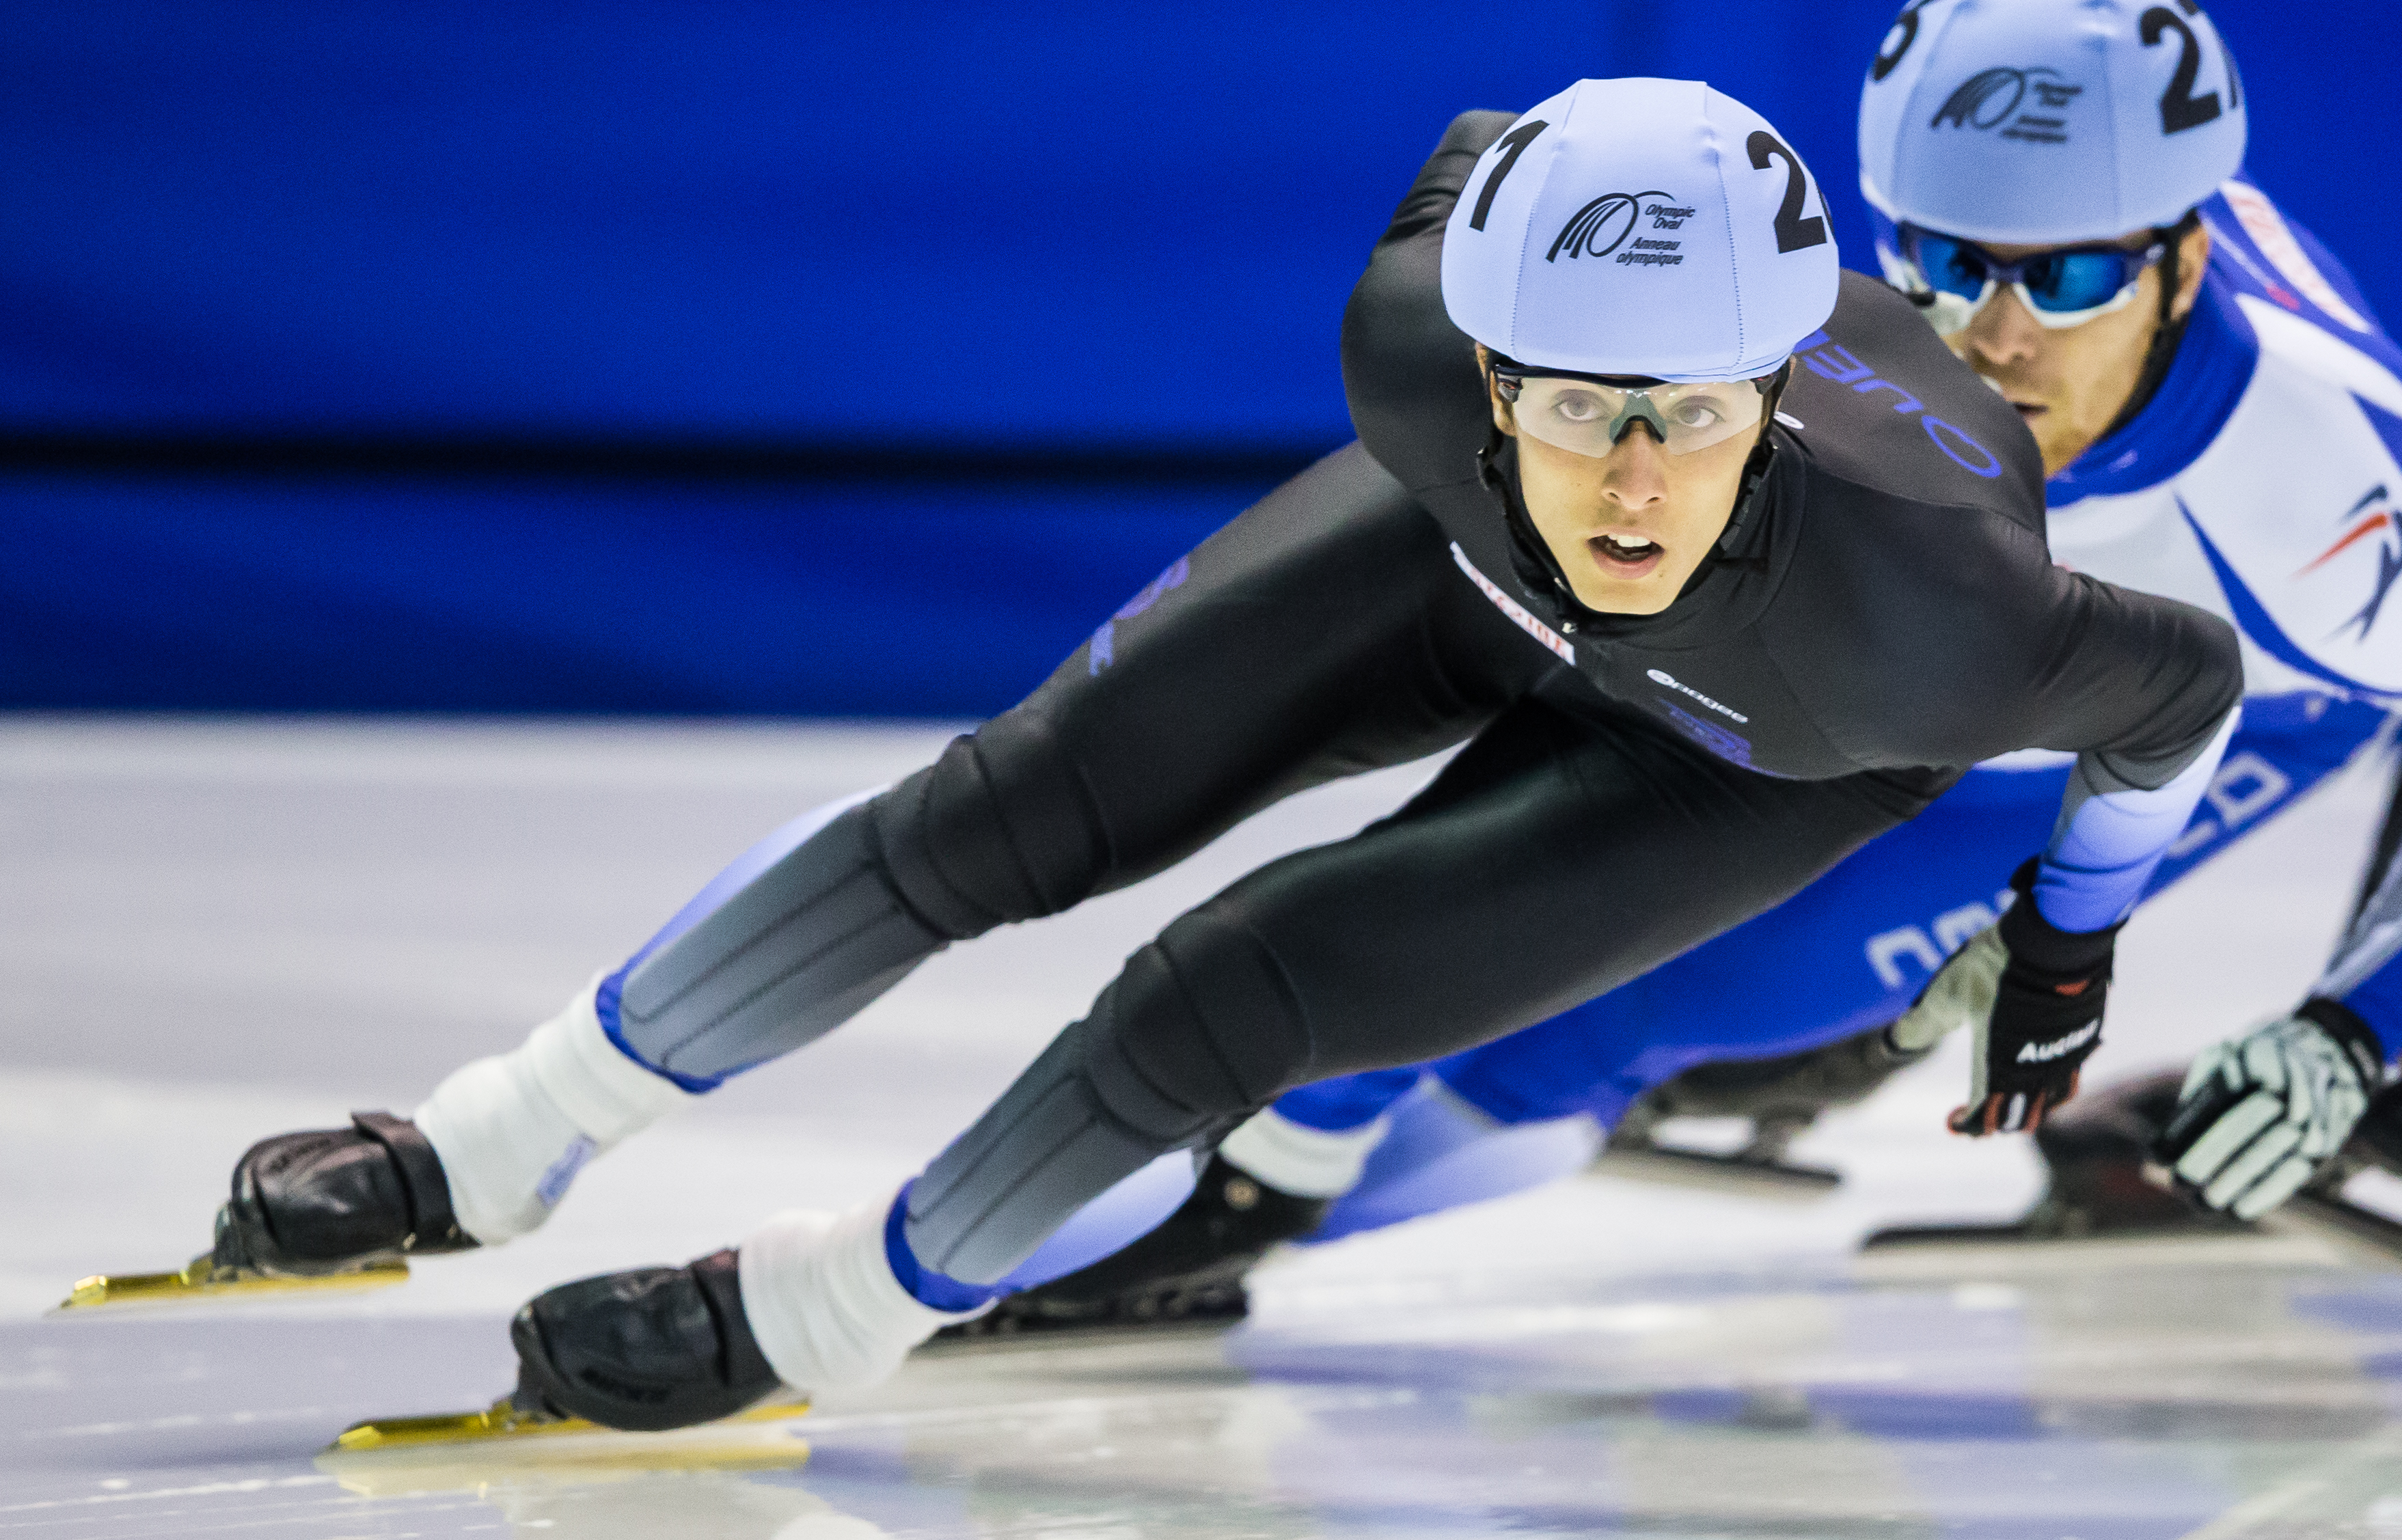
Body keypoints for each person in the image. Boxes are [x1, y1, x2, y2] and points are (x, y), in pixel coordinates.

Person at [207, 75, 2239, 1431]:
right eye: (1575, 403)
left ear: (1776, 398)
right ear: (1487, 369)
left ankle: (821, 1317)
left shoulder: (1928, 628)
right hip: (1465, 561)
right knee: (1003, 808)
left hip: (1762, 735)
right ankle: (497, 1136)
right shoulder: (1409, 343)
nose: (1631, 482)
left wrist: (2068, 946)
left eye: (1691, 414)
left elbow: (2185, 691)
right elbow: (1481, 140)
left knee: (1221, 1000)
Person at [958, 0, 2402, 1336]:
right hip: (1987, 656)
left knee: (1642, 1010)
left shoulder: (2326, 497)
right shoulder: (1840, 323)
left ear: (2185, 263)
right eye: (1952, 262)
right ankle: (1276, 1166)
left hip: (2234, 704)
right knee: (1532, 880)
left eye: (2074, 278)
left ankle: (1264, 1209)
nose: (1997, 337)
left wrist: (2353, 1026)